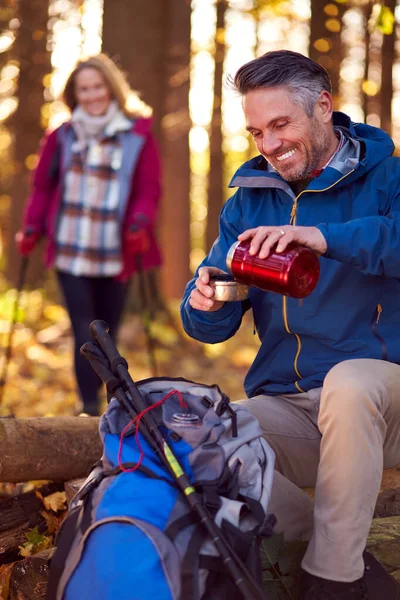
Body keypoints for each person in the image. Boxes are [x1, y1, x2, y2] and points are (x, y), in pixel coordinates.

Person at [180, 50, 400, 600]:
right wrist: (206, 301)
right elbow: (209, 326)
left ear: (323, 107)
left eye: (281, 125)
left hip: (382, 398)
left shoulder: (390, 177)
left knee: (350, 385)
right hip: (292, 405)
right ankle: (356, 572)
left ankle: (332, 586)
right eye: (257, 131)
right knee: (194, 433)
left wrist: (325, 239)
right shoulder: (249, 201)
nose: (269, 146)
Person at [16, 54, 162, 416]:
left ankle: (115, 405)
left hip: (117, 250)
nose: (92, 94)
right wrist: (32, 225)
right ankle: (88, 405)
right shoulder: (62, 135)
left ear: (111, 88)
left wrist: (140, 221)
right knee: (85, 331)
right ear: (74, 94)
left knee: (107, 333)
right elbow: (43, 188)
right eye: (84, 89)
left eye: (98, 86)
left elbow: (149, 187)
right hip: (70, 247)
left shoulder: (136, 133)